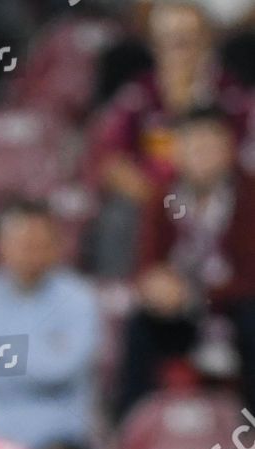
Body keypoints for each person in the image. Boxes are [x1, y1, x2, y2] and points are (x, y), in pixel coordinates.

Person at [90, 1, 251, 278]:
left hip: (220, 197)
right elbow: (110, 158)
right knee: (119, 215)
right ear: (154, 46)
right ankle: (118, 297)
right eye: (168, 41)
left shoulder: (232, 96)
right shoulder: (139, 95)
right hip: (153, 198)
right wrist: (157, 198)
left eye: (186, 40)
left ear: (206, 41)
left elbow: (246, 156)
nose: (178, 50)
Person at [117, 108, 255, 418]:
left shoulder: (249, 196)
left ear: (229, 149)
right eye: (194, 147)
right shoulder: (163, 198)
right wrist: (155, 286)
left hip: (234, 307)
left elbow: (249, 276)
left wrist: (196, 292)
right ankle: (134, 429)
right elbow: (146, 264)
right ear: (177, 152)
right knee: (140, 325)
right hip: (180, 312)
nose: (202, 156)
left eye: (211, 147)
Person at [0, 201, 102, 449]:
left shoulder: (80, 297)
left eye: (40, 244)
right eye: (23, 244)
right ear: (1, 246)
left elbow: (62, 369)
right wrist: (41, 353)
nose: (32, 253)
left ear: (57, 247)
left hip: (58, 435)